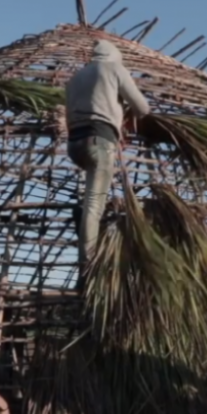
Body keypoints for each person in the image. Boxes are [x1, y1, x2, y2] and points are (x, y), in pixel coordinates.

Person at [65, 39, 151, 270]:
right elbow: (142, 108)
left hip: (75, 143)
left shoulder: (75, 78)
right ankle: (89, 261)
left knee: (89, 199)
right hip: (99, 140)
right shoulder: (114, 69)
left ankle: (86, 245)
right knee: (94, 205)